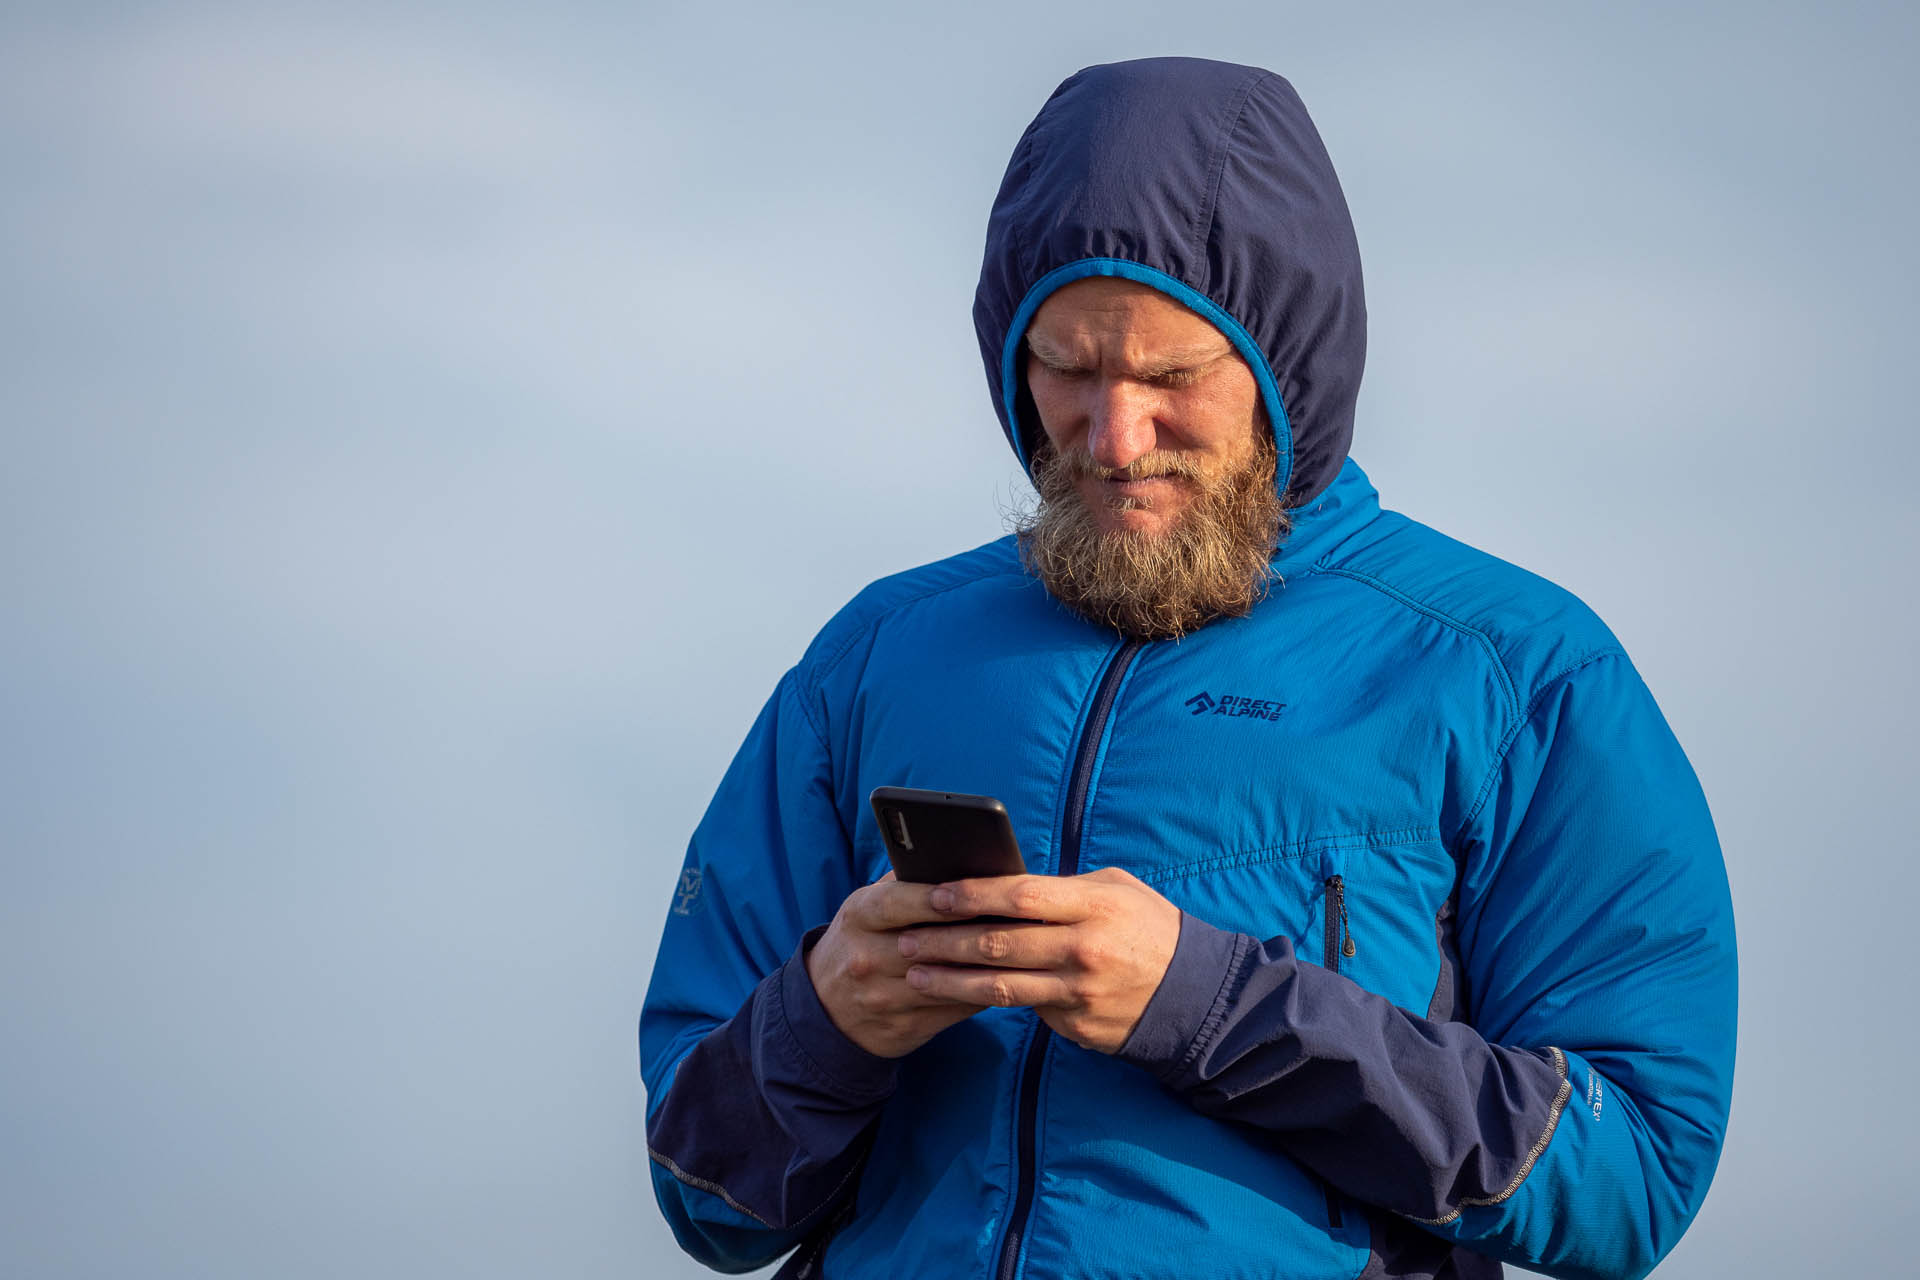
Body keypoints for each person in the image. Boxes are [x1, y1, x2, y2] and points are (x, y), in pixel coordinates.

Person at [639, 57, 1737, 1280]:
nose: (1113, 437)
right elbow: (705, 1198)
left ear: (1285, 365)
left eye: (1168, 376)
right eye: (1067, 365)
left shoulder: (1511, 671)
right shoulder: (875, 654)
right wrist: (828, 1019)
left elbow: (1634, 1171)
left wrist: (1207, 1002)